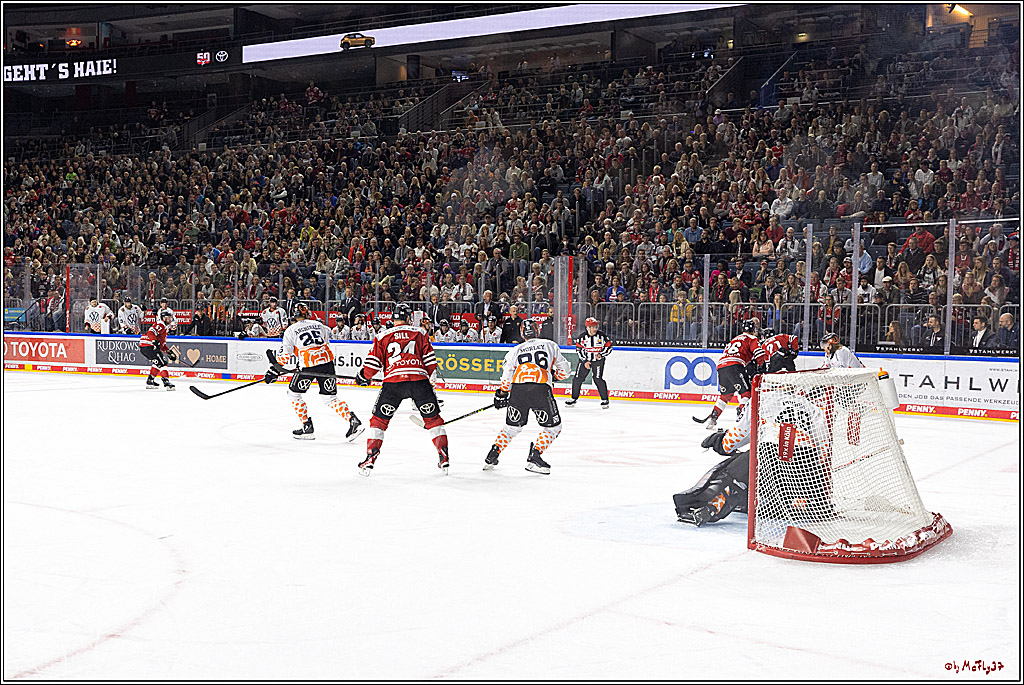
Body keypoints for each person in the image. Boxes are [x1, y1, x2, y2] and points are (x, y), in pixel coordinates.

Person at [354, 303, 448, 475]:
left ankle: (370, 459)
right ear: (408, 318)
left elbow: (372, 364)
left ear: (393, 318)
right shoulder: (420, 332)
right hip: (419, 382)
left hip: (393, 384)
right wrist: (420, 379)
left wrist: (363, 377)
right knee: (434, 420)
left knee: (379, 421)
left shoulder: (382, 335)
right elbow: (430, 363)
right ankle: (444, 457)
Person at [263, 302, 363, 441]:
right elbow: (325, 342)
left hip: (308, 365)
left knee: (294, 394)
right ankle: (353, 421)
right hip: (327, 363)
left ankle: (307, 426)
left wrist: (274, 369)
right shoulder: (319, 325)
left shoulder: (291, 330)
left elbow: (285, 355)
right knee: (330, 398)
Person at [485, 318, 571, 475]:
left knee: (512, 427)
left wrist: (502, 393)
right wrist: (554, 376)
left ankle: (493, 453)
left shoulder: (515, 350)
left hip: (518, 389)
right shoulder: (550, 345)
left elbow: (507, 375)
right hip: (540, 388)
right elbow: (565, 370)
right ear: (537, 331)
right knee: (553, 428)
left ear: (522, 334)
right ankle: (535, 455)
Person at [695, 319, 766, 429]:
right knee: (746, 393)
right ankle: (742, 417)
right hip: (735, 366)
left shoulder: (734, 339)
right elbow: (759, 352)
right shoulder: (752, 338)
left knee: (725, 396)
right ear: (753, 330)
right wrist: (763, 366)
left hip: (721, 367)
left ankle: (713, 418)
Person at [565, 317, 613, 408]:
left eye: (596, 327)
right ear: (588, 328)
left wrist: (601, 354)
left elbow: (609, 347)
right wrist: (585, 361)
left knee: (598, 379)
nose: (595, 329)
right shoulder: (582, 337)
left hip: (598, 361)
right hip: (585, 361)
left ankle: (605, 400)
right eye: (593, 327)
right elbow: (579, 350)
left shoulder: (602, 336)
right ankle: (573, 398)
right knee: (577, 379)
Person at [139, 309, 178, 390]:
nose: (170, 319)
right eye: (169, 318)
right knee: (163, 363)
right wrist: (154, 341)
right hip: (149, 346)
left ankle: (150, 381)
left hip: (145, 346)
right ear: (164, 318)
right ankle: (166, 382)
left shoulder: (164, 327)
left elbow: (161, 344)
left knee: (158, 362)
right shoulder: (161, 324)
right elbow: (151, 332)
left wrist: (169, 352)